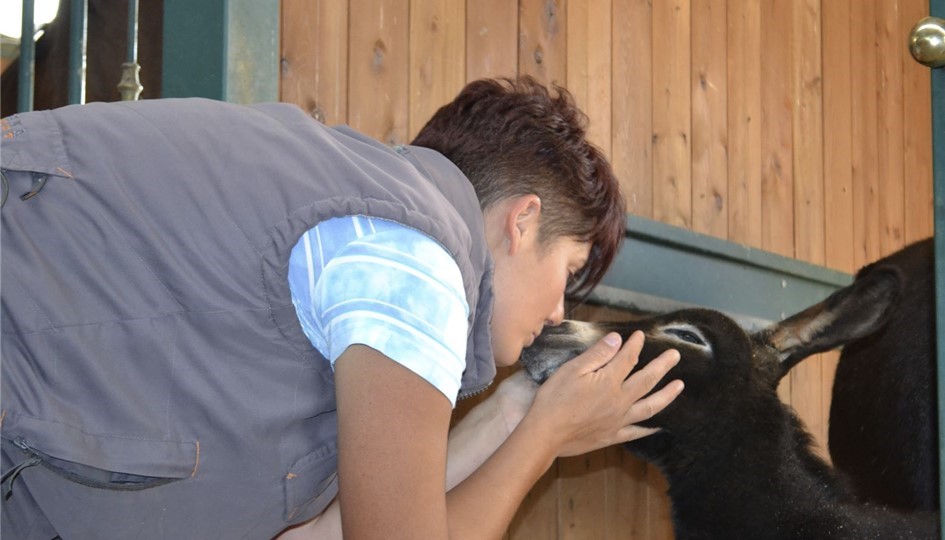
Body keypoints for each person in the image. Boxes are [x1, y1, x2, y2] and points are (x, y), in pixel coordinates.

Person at [0, 77, 683, 539]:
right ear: (522, 221)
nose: (560, 311)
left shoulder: (368, 254)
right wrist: (544, 443)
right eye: (567, 271)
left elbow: (324, 534)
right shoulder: (416, 258)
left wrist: (513, 416)